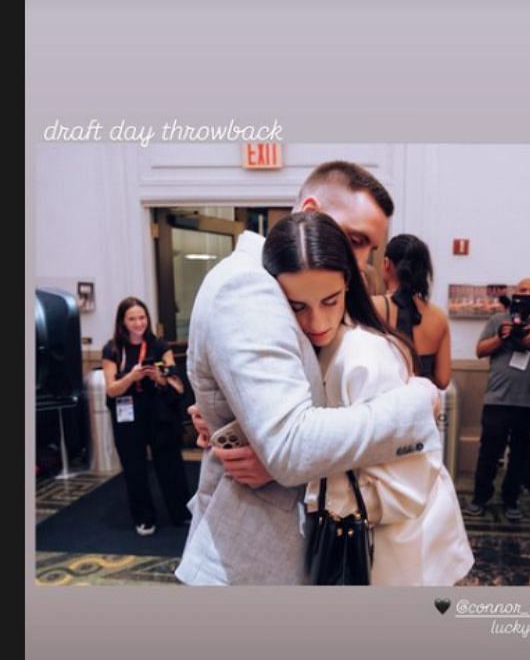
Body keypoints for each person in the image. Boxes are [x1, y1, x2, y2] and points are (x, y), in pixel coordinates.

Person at [177, 161, 441, 586]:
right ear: (312, 212)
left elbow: (283, 427)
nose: (359, 261)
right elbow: (290, 444)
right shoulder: (249, 287)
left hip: (310, 540)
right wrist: (416, 402)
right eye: (354, 239)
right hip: (257, 553)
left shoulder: (284, 283)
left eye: (369, 248)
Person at [263, 211, 473, 585]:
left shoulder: (363, 356)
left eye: (329, 300)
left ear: (349, 282)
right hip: (379, 549)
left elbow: (408, 485)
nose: (316, 322)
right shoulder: (310, 349)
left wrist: (291, 472)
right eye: (297, 307)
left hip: (393, 552)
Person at [463, 277, 530, 520]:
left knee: (521, 455)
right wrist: (501, 337)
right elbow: (480, 351)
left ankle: (511, 499)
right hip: (498, 399)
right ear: (515, 293)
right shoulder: (498, 319)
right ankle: (480, 498)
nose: (526, 293)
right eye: (522, 290)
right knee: (489, 452)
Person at [101, 297, 192, 536]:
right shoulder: (112, 349)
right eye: (132, 318)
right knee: (134, 468)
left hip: (158, 412)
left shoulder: (159, 345)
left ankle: (180, 512)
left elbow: (176, 384)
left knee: (170, 464)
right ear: (123, 321)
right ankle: (143, 517)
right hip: (128, 414)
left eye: (142, 317)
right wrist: (131, 378)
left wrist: (157, 377)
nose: (138, 323)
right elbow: (111, 389)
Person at [375, 233, 452, 390]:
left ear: (386, 264)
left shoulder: (374, 306)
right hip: (421, 408)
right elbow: (443, 380)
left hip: (383, 405)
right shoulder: (438, 317)